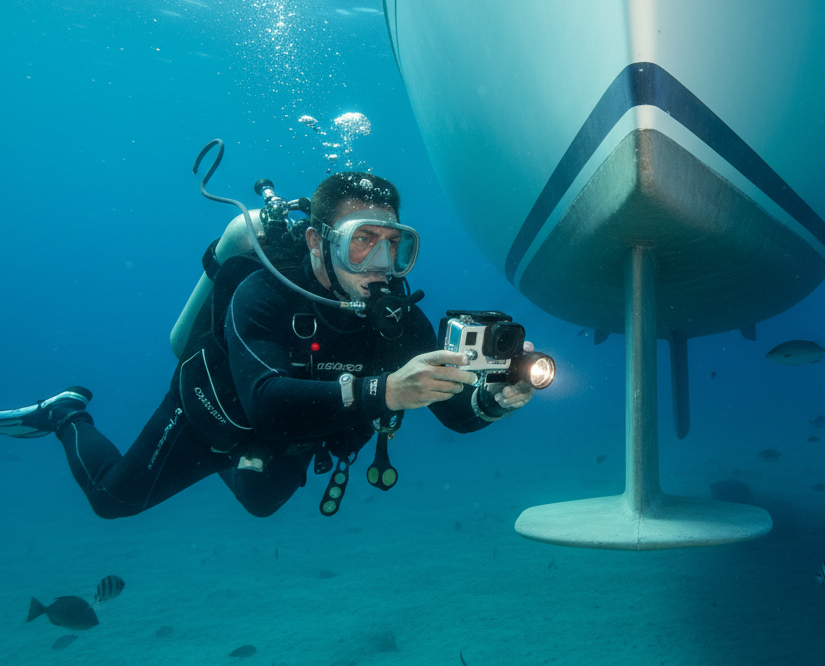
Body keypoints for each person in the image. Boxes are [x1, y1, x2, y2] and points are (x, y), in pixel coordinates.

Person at [0, 171, 534, 518]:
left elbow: (454, 415)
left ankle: (247, 465)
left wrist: (492, 401)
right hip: (214, 414)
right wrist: (388, 392)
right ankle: (67, 414)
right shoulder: (264, 294)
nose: (379, 263)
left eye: (394, 244)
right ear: (316, 240)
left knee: (261, 502)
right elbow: (266, 403)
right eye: (362, 241)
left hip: (294, 432)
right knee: (113, 500)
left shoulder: (394, 316)